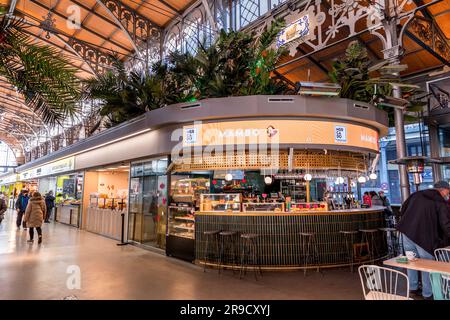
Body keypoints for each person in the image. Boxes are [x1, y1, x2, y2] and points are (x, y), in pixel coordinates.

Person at [397, 181, 450, 300]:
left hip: (407, 233)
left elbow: (403, 209)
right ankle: (428, 293)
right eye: (448, 191)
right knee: (427, 264)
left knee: (412, 261)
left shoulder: (416, 195)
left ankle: (413, 288)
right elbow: (445, 223)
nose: (448, 194)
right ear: (443, 189)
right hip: (424, 236)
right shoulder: (439, 200)